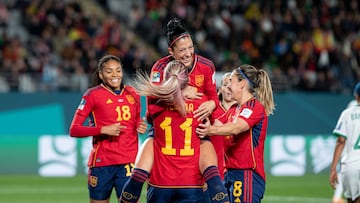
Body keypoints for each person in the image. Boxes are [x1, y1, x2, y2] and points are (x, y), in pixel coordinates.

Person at [120, 18, 227, 203]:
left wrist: (212, 104)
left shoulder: (206, 66)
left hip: (197, 124)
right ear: (171, 51)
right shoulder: (159, 68)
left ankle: (138, 181)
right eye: (182, 50)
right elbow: (151, 109)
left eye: (191, 48)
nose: (188, 54)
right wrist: (180, 93)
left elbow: (213, 99)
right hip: (170, 126)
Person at [69, 54, 147, 203]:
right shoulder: (92, 95)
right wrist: (102, 129)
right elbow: (74, 129)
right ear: (101, 74)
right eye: (109, 71)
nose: (114, 75)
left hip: (128, 162)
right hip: (102, 163)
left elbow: (137, 120)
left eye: (118, 70)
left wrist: (139, 125)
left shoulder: (133, 94)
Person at [196, 64, 275, 203]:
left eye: (230, 81)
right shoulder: (234, 109)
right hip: (230, 175)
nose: (227, 86)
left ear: (242, 84)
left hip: (247, 175)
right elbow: (218, 125)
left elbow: (237, 127)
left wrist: (211, 130)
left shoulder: (253, 106)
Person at [329, 82, 360, 203]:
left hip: (350, 165)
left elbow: (341, 141)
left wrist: (332, 169)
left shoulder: (347, 113)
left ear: (355, 95)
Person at [211, 72, 237, 180]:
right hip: (215, 171)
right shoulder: (211, 111)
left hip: (236, 170)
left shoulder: (243, 112)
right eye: (226, 85)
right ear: (220, 89)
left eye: (232, 85)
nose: (229, 88)